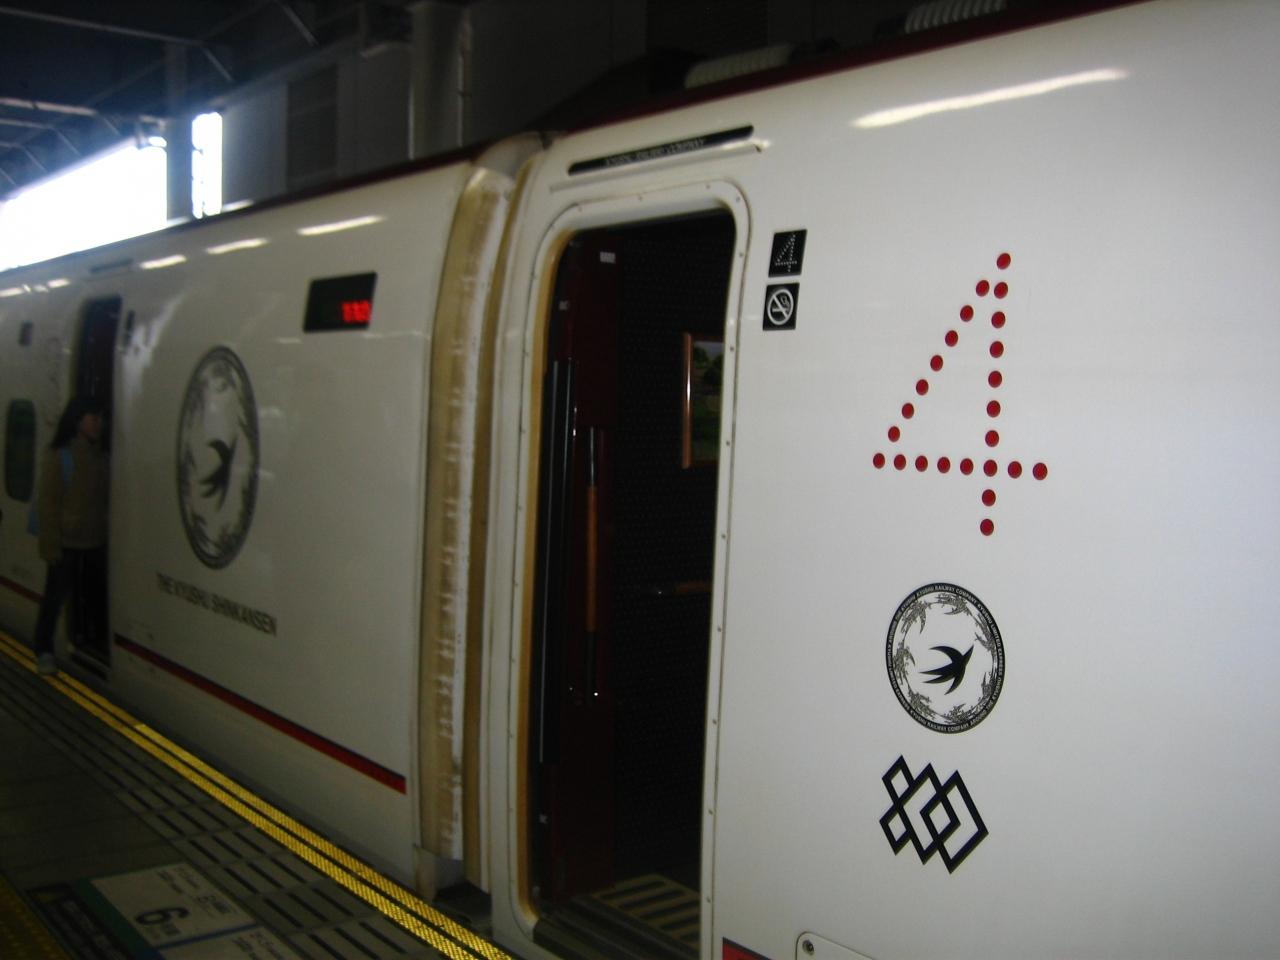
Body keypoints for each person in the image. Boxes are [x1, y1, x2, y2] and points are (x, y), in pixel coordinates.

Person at [32, 395, 109, 675]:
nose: (99, 423)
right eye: (93, 418)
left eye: (101, 418)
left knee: (91, 595)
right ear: (78, 421)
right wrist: (50, 548)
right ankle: (43, 649)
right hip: (66, 542)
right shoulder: (60, 456)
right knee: (54, 599)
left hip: (94, 541)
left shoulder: (101, 458)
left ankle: (90, 637)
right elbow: (48, 505)